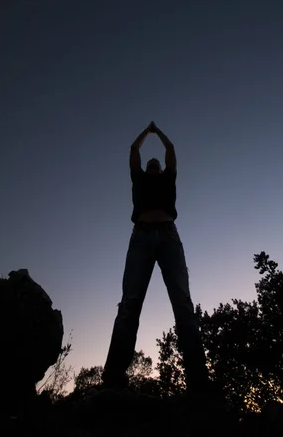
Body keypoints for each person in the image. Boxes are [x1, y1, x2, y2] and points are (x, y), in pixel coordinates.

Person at [101, 121, 210, 394]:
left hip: (169, 237)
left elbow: (171, 150)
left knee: (183, 303)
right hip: (141, 237)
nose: (152, 162)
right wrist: (145, 133)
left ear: (161, 168)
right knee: (129, 305)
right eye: (149, 162)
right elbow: (133, 150)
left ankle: (199, 381)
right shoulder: (138, 178)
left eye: (155, 162)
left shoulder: (167, 178)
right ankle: (113, 377)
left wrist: (158, 133)